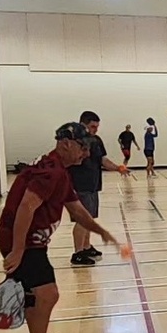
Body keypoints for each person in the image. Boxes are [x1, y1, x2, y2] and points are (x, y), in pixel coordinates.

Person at [0, 122, 120, 333]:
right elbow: (26, 207)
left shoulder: (61, 172)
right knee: (48, 294)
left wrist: (101, 232)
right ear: (66, 144)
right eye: (82, 147)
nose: (86, 154)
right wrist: (18, 250)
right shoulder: (51, 172)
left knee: (39, 295)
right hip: (24, 242)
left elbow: (76, 211)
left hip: (32, 242)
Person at [68, 111, 127, 266]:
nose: (95, 129)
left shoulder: (96, 140)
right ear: (83, 124)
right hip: (80, 185)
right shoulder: (74, 141)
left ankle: (86, 247)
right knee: (81, 219)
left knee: (89, 218)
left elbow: (102, 160)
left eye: (97, 126)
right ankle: (78, 253)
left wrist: (117, 168)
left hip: (93, 184)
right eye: (92, 126)